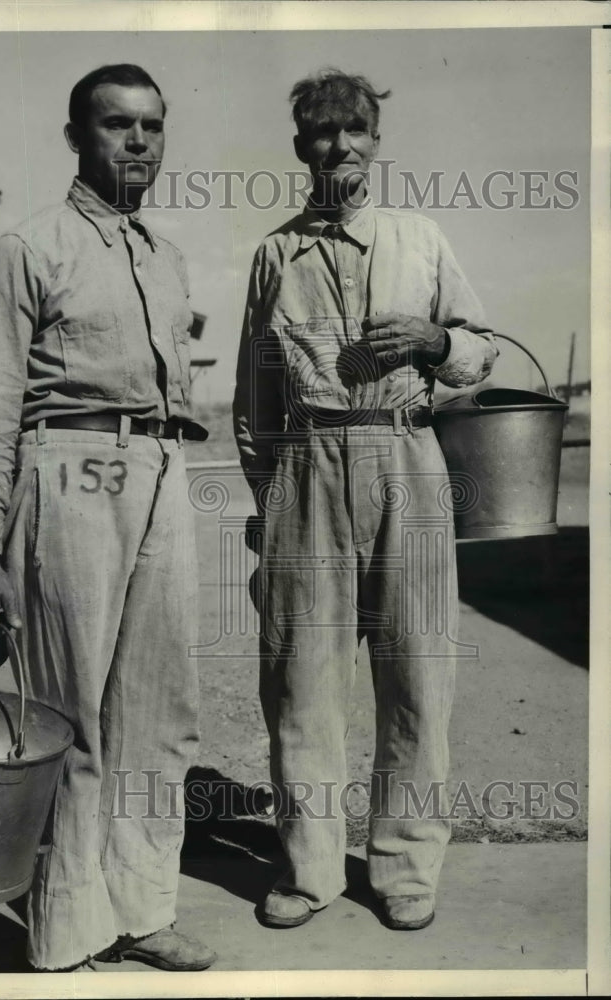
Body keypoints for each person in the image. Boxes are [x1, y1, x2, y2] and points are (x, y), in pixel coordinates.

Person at [0, 64, 215, 973]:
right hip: (71, 471)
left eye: (152, 126)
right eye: (116, 125)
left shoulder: (165, 256)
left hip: (161, 466)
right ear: (75, 136)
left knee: (160, 707)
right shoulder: (27, 250)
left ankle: (142, 908)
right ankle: (68, 927)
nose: (138, 142)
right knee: (70, 710)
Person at [233, 70, 498, 933]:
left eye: (354, 131)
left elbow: (483, 352)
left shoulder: (420, 239)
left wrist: (438, 339)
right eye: (320, 132)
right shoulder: (275, 254)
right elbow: (252, 403)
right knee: (302, 682)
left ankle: (406, 867)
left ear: (376, 141)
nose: (338, 147)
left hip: (406, 457)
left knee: (418, 672)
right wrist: (271, 500)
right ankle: (310, 871)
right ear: (300, 145)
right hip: (308, 464)